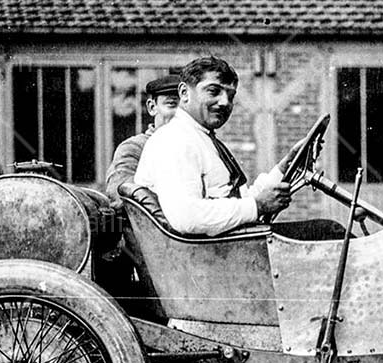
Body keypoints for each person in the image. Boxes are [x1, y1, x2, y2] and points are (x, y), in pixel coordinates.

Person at [134, 56, 344, 240]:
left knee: (328, 231)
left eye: (231, 96)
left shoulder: (200, 138)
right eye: (213, 91)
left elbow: (238, 200)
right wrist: (258, 206)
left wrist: (284, 166)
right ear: (184, 93)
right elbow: (187, 217)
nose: (224, 102)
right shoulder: (174, 140)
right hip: (210, 257)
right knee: (329, 233)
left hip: (226, 247)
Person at [104, 73, 181, 206]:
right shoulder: (135, 148)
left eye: (186, 107)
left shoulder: (203, 146)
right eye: (172, 104)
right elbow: (121, 194)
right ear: (152, 107)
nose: (181, 114)